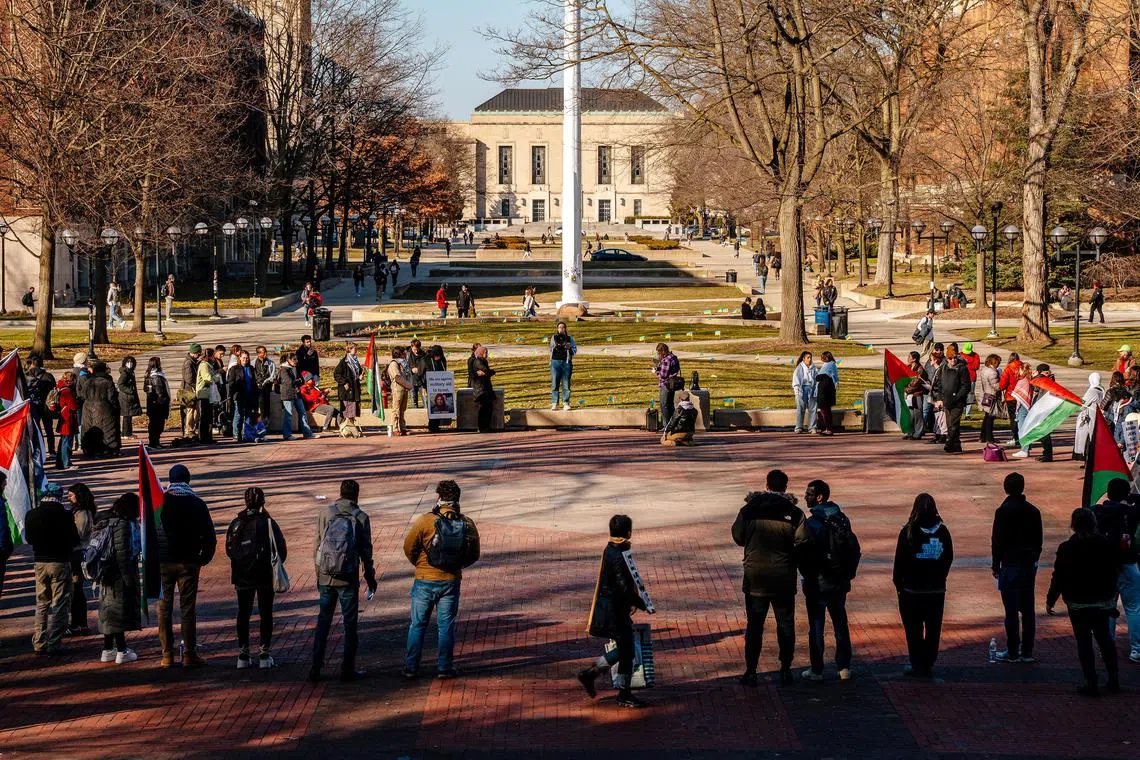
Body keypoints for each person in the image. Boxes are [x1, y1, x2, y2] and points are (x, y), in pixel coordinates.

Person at [732, 470, 805, 686]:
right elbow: (802, 542)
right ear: (785, 487)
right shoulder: (795, 512)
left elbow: (738, 537)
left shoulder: (749, 510)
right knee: (785, 623)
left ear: (766, 485)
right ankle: (785, 668)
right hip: (783, 577)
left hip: (755, 576)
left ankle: (751, 670)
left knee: (755, 625)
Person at [401, 480, 480, 679]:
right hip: (451, 581)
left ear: (438, 498)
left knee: (418, 624)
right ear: (457, 499)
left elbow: (408, 547)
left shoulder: (425, 521)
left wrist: (420, 565)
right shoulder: (467, 523)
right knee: (446, 626)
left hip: (425, 579)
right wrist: (457, 566)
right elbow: (474, 554)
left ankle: (411, 667)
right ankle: (444, 667)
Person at [577, 514, 652, 708]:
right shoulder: (618, 555)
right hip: (616, 611)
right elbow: (623, 588)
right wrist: (642, 603)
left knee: (626, 649)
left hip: (616, 608)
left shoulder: (613, 548)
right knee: (627, 650)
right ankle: (621, 691)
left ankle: (594, 675)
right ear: (628, 532)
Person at [1046, 507, 1120, 696]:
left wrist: (1051, 598)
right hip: (1102, 601)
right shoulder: (1105, 544)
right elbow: (1114, 570)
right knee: (1105, 640)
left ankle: (1091, 682)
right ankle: (1113, 679)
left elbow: (1059, 576)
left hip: (1078, 602)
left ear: (1073, 526)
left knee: (1084, 642)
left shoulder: (1067, 548)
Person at [310, 479, 377, 683]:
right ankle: (347, 669)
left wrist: (319, 575)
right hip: (348, 579)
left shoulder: (325, 514)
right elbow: (366, 553)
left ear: (340, 493)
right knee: (350, 625)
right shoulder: (361, 517)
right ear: (356, 495)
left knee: (323, 623)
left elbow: (317, 547)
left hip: (326, 577)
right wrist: (370, 578)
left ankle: (315, 668)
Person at [794, 480, 860, 681]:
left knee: (816, 626)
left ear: (820, 497)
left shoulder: (812, 523)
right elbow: (853, 549)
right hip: (839, 581)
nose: (806, 496)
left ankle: (817, 669)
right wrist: (848, 574)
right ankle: (844, 667)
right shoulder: (842, 519)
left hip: (817, 582)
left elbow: (803, 553)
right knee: (840, 622)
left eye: (809, 493)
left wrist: (806, 575)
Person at [157, 464, 217, 668]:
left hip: (163, 561)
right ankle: (190, 653)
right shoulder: (197, 504)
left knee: (164, 608)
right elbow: (209, 535)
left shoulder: (160, 502)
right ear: (188, 480)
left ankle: (166, 655)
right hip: (189, 561)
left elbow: (151, 531)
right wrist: (204, 558)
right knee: (187, 608)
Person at [892, 493, 953, 678]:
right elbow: (948, 558)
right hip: (935, 590)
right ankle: (928, 662)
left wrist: (899, 585)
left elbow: (899, 562)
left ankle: (916, 661)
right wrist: (940, 577)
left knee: (913, 629)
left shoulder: (908, 531)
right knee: (933, 628)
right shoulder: (943, 532)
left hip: (912, 590)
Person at [225, 487, 287, 669]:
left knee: (243, 613)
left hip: (242, 576)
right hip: (264, 575)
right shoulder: (268, 523)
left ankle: (243, 655)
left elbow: (229, 550)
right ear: (262, 502)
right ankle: (264, 653)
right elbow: (281, 550)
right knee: (265, 613)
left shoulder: (236, 523)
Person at [990, 473, 1043, 663]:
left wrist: (996, 564)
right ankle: (1027, 651)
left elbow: (997, 540)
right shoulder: (1033, 511)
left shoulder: (1003, 511)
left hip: (1010, 564)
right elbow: (1038, 541)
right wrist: (1035, 559)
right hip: (1028, 564)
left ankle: (1013, 650)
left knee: (1011, 611)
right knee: (1028, 610)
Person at [25, 483, 80, 655]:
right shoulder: (65, 515)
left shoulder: (32, 514)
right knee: (59, 603)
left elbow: (29, 538)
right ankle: (54, 641)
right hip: (59, 561)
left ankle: (39, 641)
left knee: (42, 603)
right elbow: (74, 539)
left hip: (40, 561)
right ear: (59, 496)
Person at [1091, 478, 1140, 665]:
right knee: (1134, 608)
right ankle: (1136, 649)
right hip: (1128, 564)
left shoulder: (1098, 512)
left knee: (1108, 609)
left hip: (1106, 567)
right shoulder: (1131, 513)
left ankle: (1107, 648)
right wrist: (1131, 496)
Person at [95, 493, 142, 665]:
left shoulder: (106, 521)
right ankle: (122, 650)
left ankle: (108, 649)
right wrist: (130, 581)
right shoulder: (121, 525)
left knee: (108, 612)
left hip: (105, 574)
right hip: (118, 576)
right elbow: (122, 555)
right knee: (118, 613)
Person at [66, 483, 96, 636]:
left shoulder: (82, 513)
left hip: (78, 554)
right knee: (76, 590)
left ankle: (78, 623)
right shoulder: (81, 511)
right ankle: (79, 623)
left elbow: (78, 534)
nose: (68, 497)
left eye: (71, 495)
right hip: (78, 553)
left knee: (76, 589)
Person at [77, 361, 121, 457]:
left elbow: (82, 395)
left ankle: (90, 449)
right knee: (107, 428)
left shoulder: (88, 381)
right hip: (104, 408)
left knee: (90, 428)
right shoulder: (107, 382)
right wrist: (116, 407)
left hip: (88, 407)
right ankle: (108, 449)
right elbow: (112, 398)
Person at [932, 342, 970, 453]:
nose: (953, 361)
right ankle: (957, 445)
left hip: (958, 402)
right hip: (946, 401)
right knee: (951, 424)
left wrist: (957, 397)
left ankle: (949, 442)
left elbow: (966, 386)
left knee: (953, 423)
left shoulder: (962, 368)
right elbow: (939, 385)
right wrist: (939, 398)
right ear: (947, 359)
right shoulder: (943, 368)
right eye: (950, 358)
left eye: (954, 358)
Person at [278, 353, 315, 440]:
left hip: (297, 393)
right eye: (294, 360)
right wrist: (299, 380)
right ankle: (287, 435)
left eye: (296, 359)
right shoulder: (284, 369)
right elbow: (289, 382)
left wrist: (298, 380)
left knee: (303, 413)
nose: (296, 361)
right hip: (287, 394)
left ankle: (307, 433)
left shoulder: (294, 368)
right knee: (288, 414)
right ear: (289, 360)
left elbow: (300, 380)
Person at [25, 355, 56, 456]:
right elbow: (53, 389)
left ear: (32, 364)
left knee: (36, 429)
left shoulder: (26, 376)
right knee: (49, 428)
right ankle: (52, 450)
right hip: (45, 405)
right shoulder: (48, 376)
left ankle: (40, 450)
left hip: (33, 405)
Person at [226, 351, 257, 443]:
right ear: (239, 358)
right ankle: (236, 434)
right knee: (238, 414)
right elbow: (230, 382)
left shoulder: (251, 368)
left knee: (248, 415)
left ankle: (247, 434)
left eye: (247, 358)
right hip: (239, 395)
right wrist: (230, 395)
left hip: (249, 395)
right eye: (243, 357)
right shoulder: (234, 368)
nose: (245, 359)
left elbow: (254, 381)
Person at [1073, 372, 1105, 460]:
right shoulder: (1102, 389)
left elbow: (1083, 404)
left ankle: (1087, 459)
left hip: (1089, 417)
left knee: (1087, 440)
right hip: (1097, 416)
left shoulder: (1092, 391)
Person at [142, 357, 170, 449]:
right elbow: (160, 393)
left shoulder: (148, 376)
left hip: (151, 404)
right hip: (158, 405)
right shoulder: (157, 377)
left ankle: (154, 442)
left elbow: (145, 389)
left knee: (153, 424)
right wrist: (165, 402)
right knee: (157, 424)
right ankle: (154, 442)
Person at [468, 344, 496, 433]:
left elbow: (486, 372)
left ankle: (486, 426)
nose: (487, 354)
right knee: (483, 408)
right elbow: (487, 371)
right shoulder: (478, 361)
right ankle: (482, 427)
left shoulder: (483, 361)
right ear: (481, 353)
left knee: (488, 407)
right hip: (481, 389)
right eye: (485, 353)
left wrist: (488, 372)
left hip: (485, 388)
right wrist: (490, 372)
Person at [54, 371, 79, 470]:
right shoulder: (67, 391)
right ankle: (66, 463)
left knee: (63, 441)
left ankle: (61, 462)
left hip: (63, 417)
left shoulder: (60, 388)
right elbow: (73, 406)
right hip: (68, 418)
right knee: (67, 442)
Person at [195, 347, 220, 445]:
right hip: (203, 394)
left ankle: (208, 437)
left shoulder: (209, 365)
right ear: (209, 356)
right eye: (213, 355)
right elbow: (208, 378)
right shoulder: (204, 365)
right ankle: (203, 437)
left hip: (209, 394)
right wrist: (217, 377)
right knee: (204, 416)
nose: (215, 358)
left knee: (209, 416)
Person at [334, 342, 363, 426]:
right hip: (347, 391)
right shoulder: (344, 362)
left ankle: (351, 427)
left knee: (353, 410)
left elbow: (357, 373)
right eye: (354, 348)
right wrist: (344, 382)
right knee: (346, 411)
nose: (356, 350)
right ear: (349, 349)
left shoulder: (356, 361)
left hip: (354, 390)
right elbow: (337, 374)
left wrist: (360, 376)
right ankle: (344, 427)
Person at [550, 321, 577, 411]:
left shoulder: (570, 338)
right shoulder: (554, 337)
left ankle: (566, 403)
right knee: (555, 383)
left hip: (566, 362)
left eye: (563, 327)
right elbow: (551, 349)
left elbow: (575, 350)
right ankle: (555, 403)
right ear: (557, 329)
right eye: (559, 327)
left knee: (566, 384)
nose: (561, 329)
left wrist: (569, 348)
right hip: (555, 362)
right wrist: (556, 345)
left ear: (565, 329)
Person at [654, 343, 682, 430]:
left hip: (665, 385)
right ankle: (673, 424)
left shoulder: (666, 360)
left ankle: (666, 426)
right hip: (672, 384)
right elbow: (673, 370)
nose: (658, 355)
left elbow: (663, 375)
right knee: (670, 405)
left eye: (659, 353)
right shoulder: (673, 357)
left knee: (664, 405)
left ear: (663, 351)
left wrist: (656, 372)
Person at [386, 347, 413, 436]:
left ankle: (402, 427)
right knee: (396, 409)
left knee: (402, 410)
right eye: (403, 353)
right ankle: (395, 428)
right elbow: (397, 377)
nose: (405, 355)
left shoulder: (403, 363)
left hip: (404, 389)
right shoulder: (394, 364)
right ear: (399, 354)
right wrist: (408, 385)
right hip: (397, 389)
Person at [999, 352, 1023, 446]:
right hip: (1022, 396)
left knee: (1013, 418)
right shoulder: (1024, 367)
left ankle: (1015, 437)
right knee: (1022, 417)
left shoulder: (1008, 369)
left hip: (1011, 396)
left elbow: (1003, 384)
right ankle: (1021, 436)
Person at [977, 354, 1002, 444]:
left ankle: (983, 436)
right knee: (990, 418)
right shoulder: (992, 372)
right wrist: (1002, 383)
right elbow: (996, 386)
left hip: (985, 395)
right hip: (992, 396)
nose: (999, 364)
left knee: (987, 416)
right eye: (998, 362)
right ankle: (989, 437)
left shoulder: (985, 370)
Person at [903, 351, 928, 440]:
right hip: (908, 395)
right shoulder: (908, 367)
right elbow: (903, 380)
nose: (908, 358)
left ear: (914, 359)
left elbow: (915, 383)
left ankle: (918, 432)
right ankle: (910, 431)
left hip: (916, 394)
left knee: (918, 414)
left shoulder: (920, 369)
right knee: (910, 414)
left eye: (909, 357)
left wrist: (906, 390)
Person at [116, 357, 142, 440]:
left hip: (127, 397)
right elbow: (120, 384)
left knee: (128, 416)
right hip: (126, 397)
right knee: (127, 415)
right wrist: (130, 391)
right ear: (125, 363)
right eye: (128, 362)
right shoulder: (125, 372)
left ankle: (127, 433)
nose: (130, 364)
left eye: (131, 362)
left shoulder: (130, 372)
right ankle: (126, 434)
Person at [179, 344, 202, 440]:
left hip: (191, 390)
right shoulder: (188, 363)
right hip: (188, 391)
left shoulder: (193, 361)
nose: (200, 354)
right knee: (190, 411)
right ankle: (189, 430)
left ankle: (192, 429)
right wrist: (197, 386)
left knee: (195, 411)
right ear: (194, 353)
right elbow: (189, 379)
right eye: (198, 352)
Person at [792, 351, 817, 434]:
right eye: (808, 357)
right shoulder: (799, 368)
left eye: (810, 357)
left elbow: (817, 378)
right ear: (803, 358)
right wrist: (797, 392)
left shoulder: (814, 368)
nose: (809, 359)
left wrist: (816, 389)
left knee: (813, 409)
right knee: (801, 409)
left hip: (812, 389)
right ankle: (799, 427)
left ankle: (812, 428)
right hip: (802, 389)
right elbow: (796, 381)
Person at [426, 345, 448, 433]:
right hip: (430, 385)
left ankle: (437, 424)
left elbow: (445, 371)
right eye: (435, 356)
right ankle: (432, 425)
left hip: (440, 385)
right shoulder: (427, 359)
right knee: (433, 405)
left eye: (438, 356)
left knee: (439, 406)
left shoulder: (442, 360)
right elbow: (422, 372)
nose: (437, 358)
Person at [816, 351, 839, 435]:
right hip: (827, 390)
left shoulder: (829, 365)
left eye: (823, 357)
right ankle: (828, 428)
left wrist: (819, 376)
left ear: (827, 357)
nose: (821, 359)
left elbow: (820, 377)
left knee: (824, 410)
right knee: (826, 410)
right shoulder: (831, 365)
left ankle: (828, 428)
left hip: (825, 391)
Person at [253, 346, 277, 423]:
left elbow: (273, 375)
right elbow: (253, 375)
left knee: (266, 403)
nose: (265, 354)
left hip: (267, 386)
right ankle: (261, 421)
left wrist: (267, 381)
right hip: (257, 387)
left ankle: (266, 420)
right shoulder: (253, 363)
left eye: (265, 351)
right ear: (258, 354)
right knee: (260, 403)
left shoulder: (270, 363)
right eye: (263, 352)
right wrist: (257, 383)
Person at [407, 339, 430, 409]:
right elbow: (404, 368)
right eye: (414, 349)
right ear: (411, 347)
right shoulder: (407, 355)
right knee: (414, 402)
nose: (416, 351)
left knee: (426, 401)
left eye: (417, 349)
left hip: (422, 382)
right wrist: (411, 370)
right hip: (411, 381)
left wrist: (419, 370)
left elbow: (427, 368)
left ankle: (427, 417)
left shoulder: (424, 355)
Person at [960, 342, 980, 417]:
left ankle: (968, 414)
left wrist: (966, 364)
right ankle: (961, 411)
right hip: (961, 378)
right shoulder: (960, 354)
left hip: (971, 378)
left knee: (970, 395)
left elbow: (976, 366)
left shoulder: (976, 356)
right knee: (961, 394)